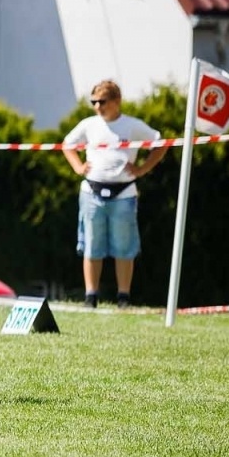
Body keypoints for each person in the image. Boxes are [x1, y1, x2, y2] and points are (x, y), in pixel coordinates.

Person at [61, 79, 166, 309]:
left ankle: (123, 297)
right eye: (94, 102)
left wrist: (142, 169)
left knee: (124, 246)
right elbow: (67, 144)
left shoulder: (133, 126)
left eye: (103, 101)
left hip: (124, 193)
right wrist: (78, 167)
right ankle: (91, 296)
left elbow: (161, 144)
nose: (98, 106)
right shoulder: (88, 125)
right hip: (92, 191)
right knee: (91, 244)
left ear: (117, 101)